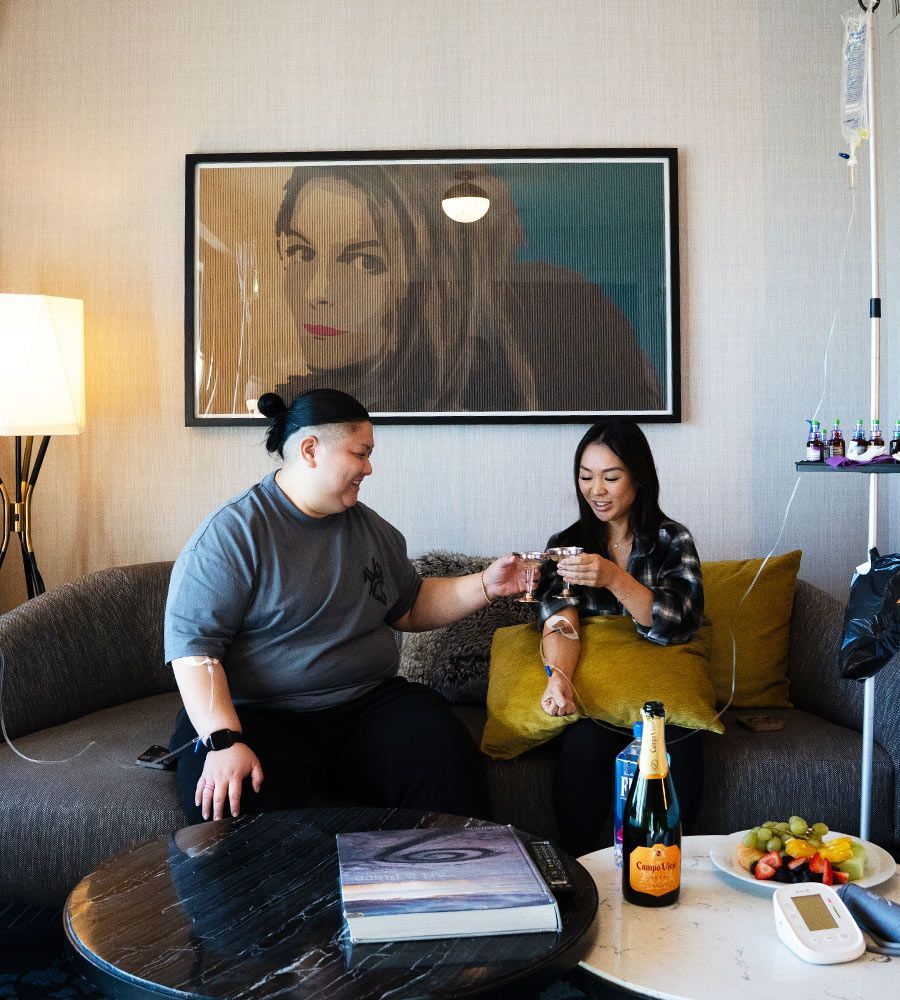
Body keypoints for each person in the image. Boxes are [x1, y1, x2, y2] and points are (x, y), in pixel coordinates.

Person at [164, 388, 525, 823]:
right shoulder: (233, 535)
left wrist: (487, 584)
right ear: (310, 449)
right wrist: (222, 741)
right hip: (260, 715)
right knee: (233, 803)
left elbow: (409, 607)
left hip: (366, 706)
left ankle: (452, 884)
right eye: (360, 453)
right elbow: (194, 650)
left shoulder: (373, 531)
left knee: (447, 757)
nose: (368, 468)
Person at [273, 163, 663, 414]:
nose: (318, 292)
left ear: (427, 280)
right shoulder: (295, 409)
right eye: (301, 252)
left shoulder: (556, 322)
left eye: (365, 262)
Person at [535, 419, 704, 857]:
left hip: (662, 702)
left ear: (639, 477)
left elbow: (677, 623)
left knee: (674, 753)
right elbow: (560, 620)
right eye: (586, 477)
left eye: (611, 477)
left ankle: (660, 870)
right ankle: (581, 874)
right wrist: (559, 679)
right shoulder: (567, 544)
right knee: (583, 751)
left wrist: (613, 578)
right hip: (596, 702)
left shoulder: (671, 540)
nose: (597, 490)